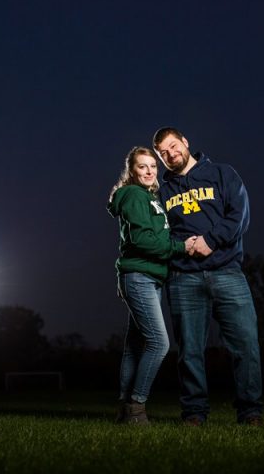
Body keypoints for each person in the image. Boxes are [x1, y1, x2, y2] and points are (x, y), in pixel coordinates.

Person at [152, 127, 264, 426]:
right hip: (184, 278)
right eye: (163, 153)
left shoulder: (222, 174)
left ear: (185, 142)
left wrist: (211, 240)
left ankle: (250, 411)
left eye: (173, 146)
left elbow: (239, 215)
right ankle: (194, 414)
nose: (170, 154)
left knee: (245, 345)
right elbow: (159, 236)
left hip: (227, 271)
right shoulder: (163, 193)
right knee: (189, 351)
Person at [107, 146, 196, 425]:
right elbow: (143, 241)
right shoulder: (134, 195)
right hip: (140, 277)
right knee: (159, 344)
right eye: (142, 166)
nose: (149, 171)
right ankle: (137, 407)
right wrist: (182, 247)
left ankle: (124, 410)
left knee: (135, 346)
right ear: (132, 170)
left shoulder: (149, 196)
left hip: (149, 276)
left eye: (153, 167)